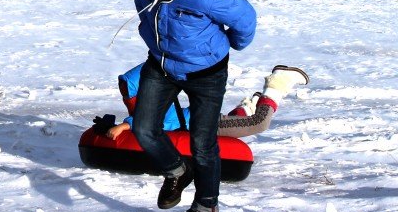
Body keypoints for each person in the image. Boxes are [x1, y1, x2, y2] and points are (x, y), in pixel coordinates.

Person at [126, 0, 257, 212]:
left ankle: (207, 210)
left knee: (203, 143)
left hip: (206, 72)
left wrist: (230, 44)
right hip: (161, 64)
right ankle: (176, 171)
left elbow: (246, 19)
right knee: (144, 129)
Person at [104, 62, 309, 141]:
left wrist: (125, 125)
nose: (125, 97)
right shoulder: (145, 99)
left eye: (127, 92)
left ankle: (279, 81)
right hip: (201, 120)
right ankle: (248, 106)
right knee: (237, 123)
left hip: (205, 123)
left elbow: (157, 119)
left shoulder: (151, 98)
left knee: (259, 123)